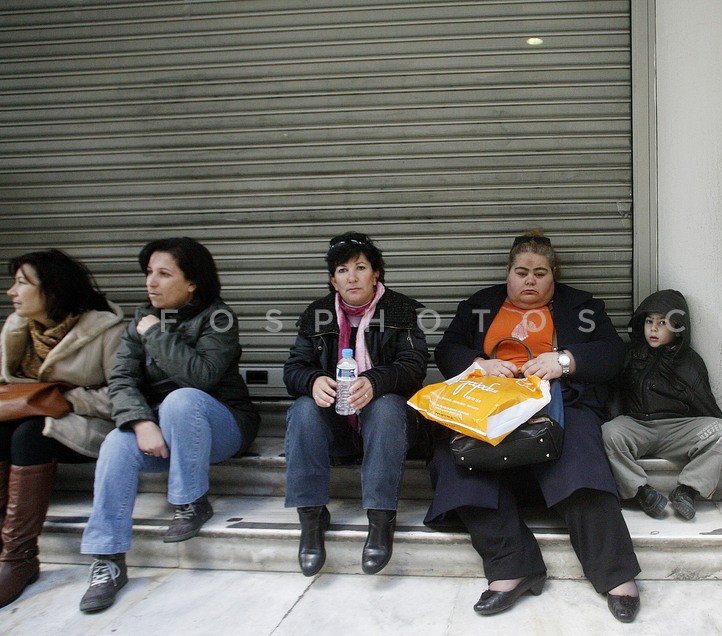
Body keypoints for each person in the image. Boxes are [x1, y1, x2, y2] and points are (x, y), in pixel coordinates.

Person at [425, 230, 641, 624]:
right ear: (507, 273)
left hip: (559, 405)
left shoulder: (582, 306)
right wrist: (479, 365)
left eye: (539, 273)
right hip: (487, 407)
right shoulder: (479, 305)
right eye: (521, 272)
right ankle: (512, 565)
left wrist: (564, 361)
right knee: (452, 459)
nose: (530, 280)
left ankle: (615, 573)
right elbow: (446, 348)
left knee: (580, 457)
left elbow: (613, 353)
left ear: (553, 275)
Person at [78, 237, 260, 612]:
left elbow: (202, 376)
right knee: (115, 443)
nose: (151, 283)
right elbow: (121, 381)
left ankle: (190, 501)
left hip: (223, 425)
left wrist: (155, 334)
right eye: (149, 274)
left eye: (164, 274)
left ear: (191, 282)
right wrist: (140, 421)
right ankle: (107, 559)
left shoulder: (217, 318)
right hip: (164, 429)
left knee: (183, 399)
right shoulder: (140, 321)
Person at [283, 232, 427, 577]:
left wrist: (375, 381)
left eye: (360, 267)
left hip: (388, 429)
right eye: (343, 270)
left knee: (388, 404)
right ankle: (312, 518)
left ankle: (380, 520)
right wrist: (313, 380)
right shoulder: (317, 314)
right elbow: (294, 369)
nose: (352, 277)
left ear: (376, 273)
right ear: (333, 279)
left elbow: (414, 366)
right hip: (339, 428)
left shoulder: (400, 309)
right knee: (303, 409)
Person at [0, 250, 124, 608]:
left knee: (29, 432)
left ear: (52, 290)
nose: (12, 291)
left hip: (86, 428)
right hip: (26, 425)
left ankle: (19, 558)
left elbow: (124, 397)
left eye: (22, 283)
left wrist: (68, 401)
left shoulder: (104, 329)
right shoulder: (15, 329)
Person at [602, 289, 722, 521]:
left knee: (720, 430)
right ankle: (641, 493)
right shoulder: (630, 355)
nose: (653, 329)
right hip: (637, 426)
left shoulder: (690, 362)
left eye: (663, 323)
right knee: (608, 432)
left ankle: (686, 491)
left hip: (678, 430)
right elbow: (612, 395)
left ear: (678, 328)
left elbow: (706, 405)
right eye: (649, 321)